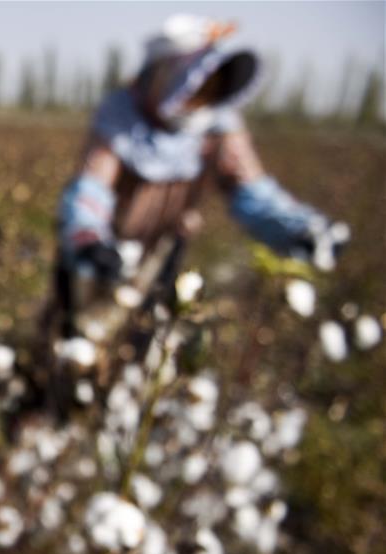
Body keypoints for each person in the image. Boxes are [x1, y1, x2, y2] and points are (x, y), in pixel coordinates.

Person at [55, 14, 349, 335]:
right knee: (75, 335)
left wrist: (300, 229)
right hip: (102, 253)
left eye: (212, 88)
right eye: (196, 85)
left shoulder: (218, 129)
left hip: (162, 257)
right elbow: (92, 186)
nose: (200, 97)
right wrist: (87, 237)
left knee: (144, 336)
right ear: (165, 74)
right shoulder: (120, 117)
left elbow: (252, 191)